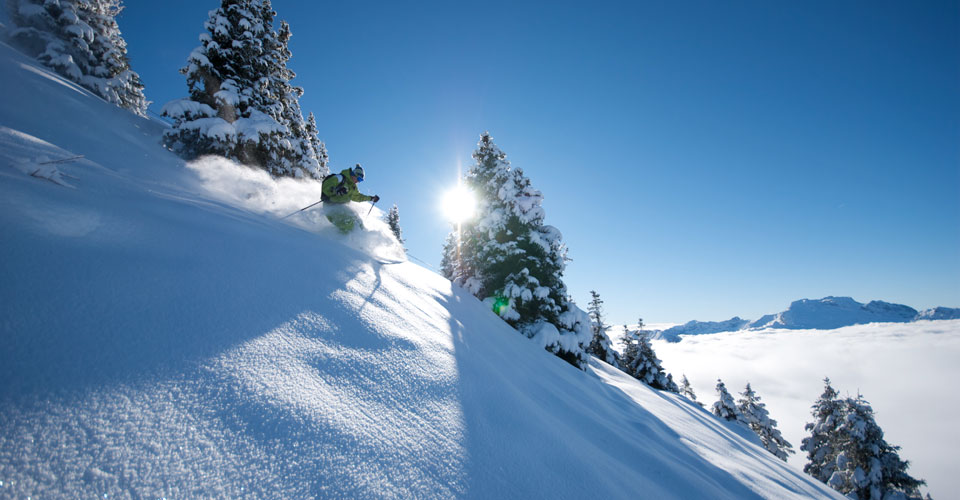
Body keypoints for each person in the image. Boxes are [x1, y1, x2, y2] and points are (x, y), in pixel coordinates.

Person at [320, 164, 380, 233]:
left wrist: (371, 198)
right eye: (359, 179)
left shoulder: (353, 187)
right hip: (331, 206)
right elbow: (326, 186)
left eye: (361, 180)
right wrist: (336, 190)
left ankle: (358, 240)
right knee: (348, 223)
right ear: (354, 174)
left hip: (342, 207)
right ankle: (337, 241)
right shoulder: (340, 178)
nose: (358, 181)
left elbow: (358, 197)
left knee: (359, 223)